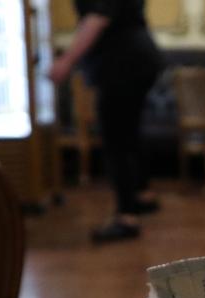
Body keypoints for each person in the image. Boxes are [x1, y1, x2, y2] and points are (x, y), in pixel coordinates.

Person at [48, 1, 163, 243]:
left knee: (116, 140)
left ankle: (127, 217)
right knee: (129, 135)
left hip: (121, 64)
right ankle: (142, 196)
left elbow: (97, 19)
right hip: (138, 58)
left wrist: (66, 61)